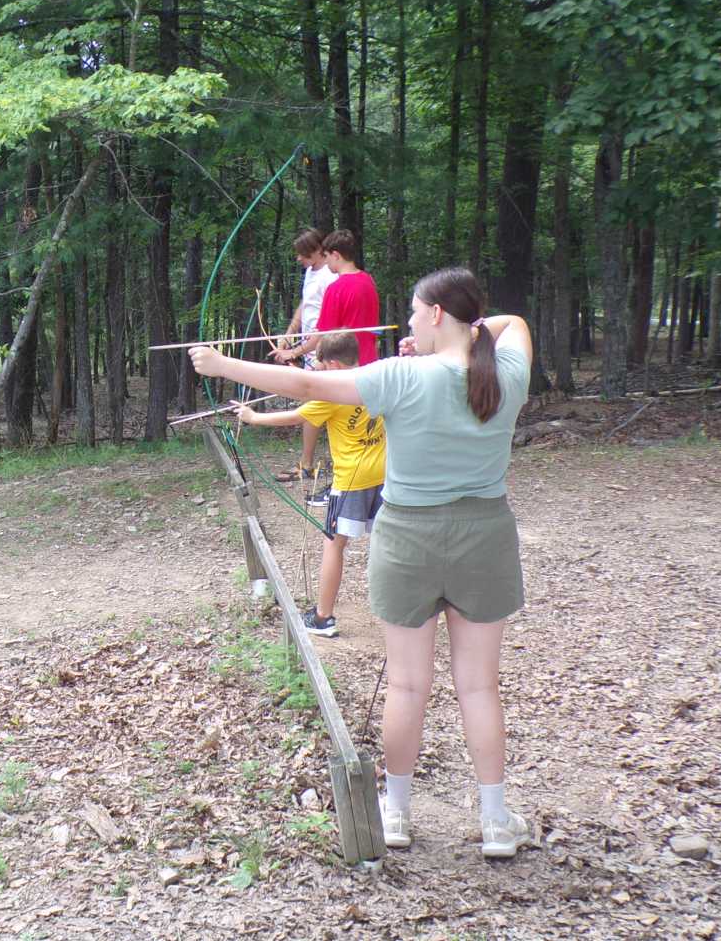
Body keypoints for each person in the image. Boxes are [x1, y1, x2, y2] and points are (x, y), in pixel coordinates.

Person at [189, 266, 534, 861]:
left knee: (407, 683)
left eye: (414, 311)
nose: (406, 322)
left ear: (433, 315)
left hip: (409, 539)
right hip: (486, 534)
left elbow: (304, 388)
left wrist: (224, 367)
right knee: (479, 686)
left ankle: (395, 813)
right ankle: (496, 821)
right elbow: (512, 324)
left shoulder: (400, 376)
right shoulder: (505, 371)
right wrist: (466, 334)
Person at [235, 332, 383, 638]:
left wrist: (252, 417)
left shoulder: (332, 394)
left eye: (320, 363)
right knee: (391, 542)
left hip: (352, 481)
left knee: (333, 545)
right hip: (385, 476)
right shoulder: (377, 376)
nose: (317, 369)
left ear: (332, 363)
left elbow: (294, 417)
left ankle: (323, 617)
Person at [276, 229, 380, 505]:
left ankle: (340, 488)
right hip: (367, 363)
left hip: (342, 367)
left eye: (330, 258)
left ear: (335, 255)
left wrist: (293, 353)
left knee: (342, 429)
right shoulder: (367, 281)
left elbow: (322, 335)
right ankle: (365, 483)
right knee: (362, 429)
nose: (329, 266)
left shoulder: (336, 287)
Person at [272, 230, 334, 487]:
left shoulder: (331, 277)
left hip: (325, 349)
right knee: (313, 405)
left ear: (318, 250)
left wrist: (295, 352)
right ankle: (307, 464)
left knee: (326, 405)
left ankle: (319, 465)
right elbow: (304, 305)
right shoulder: (311, 272)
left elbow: (328, 324)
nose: (298, 259)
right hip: (309, 347)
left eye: (303, 253)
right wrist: (289, 334)